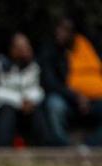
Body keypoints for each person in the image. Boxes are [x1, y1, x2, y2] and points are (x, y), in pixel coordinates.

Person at [38, 16, 102, 147]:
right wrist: (75, 96)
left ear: (73, 33)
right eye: (58, 28)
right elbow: (51, 83)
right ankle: (62, 146)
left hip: (96, 100)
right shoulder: (51, 51)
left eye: (65, 30)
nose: (59, 32)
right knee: (54, 104)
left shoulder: (89, 45)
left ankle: (90, 146)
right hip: (68, 100)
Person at [0, 32, 48, 147]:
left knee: (37, 114)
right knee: (7, 112)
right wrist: (19, 101)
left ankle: (44, 150)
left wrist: (29, 101)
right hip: (3, 111)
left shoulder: (35, 66)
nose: (26, 50)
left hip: (27, 111)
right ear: (12, 49)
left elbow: (39, 89)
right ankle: (0, 151)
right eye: (21, 47)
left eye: (27, 46)